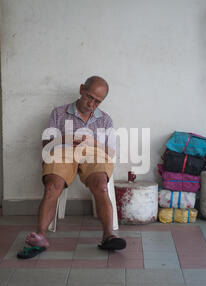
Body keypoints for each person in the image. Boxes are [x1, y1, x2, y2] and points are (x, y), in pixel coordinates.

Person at [18, 76, 126, 259]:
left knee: (101, 185)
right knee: (52, 186)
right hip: (63, 153)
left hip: (94, 155)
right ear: (82, 89)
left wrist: (92, 143)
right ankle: (41, 237)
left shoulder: (105, 120)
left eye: (97, 101)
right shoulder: (59, 113)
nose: (92, 104)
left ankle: (108, 236)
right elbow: (46, 143)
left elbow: (111, 152)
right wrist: (67, 139)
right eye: (89, 97)